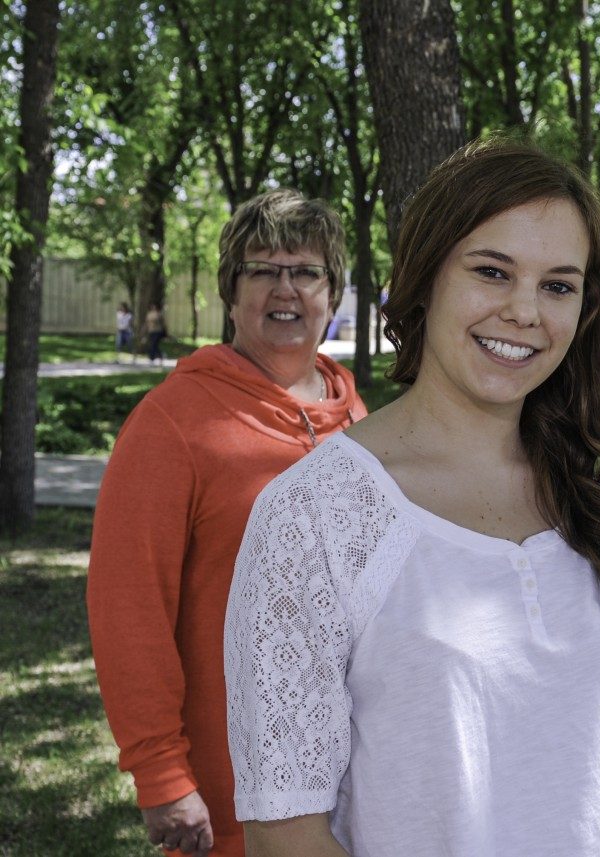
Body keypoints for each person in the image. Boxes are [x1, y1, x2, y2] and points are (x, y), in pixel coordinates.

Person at [223, 139, 600, 857]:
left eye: (558, 285)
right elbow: (285, 829)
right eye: (493, 271)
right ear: (425, 276)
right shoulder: (317, 515)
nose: (525, 311)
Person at [88, 189, 367, 857]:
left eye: (307, 271)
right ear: (230, 289)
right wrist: (160, 770)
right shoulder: (173, 421)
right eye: (262, 269)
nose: (286, 288)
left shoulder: (360, 422)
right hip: (232, 796)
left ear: (333, 292)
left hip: (360, 789)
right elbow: (129, 607)